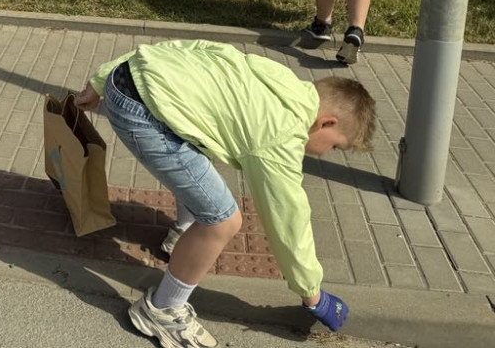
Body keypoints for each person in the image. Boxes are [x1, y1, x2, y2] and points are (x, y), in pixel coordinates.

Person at [75, 39, 375, 348]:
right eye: (335, 146)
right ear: (326, 122)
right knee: (223, 221)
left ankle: (184, 234)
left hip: (127, 76)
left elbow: (196, 47)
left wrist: (102, 77)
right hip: (142, 112)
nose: (325, 153)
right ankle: (162, 310)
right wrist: (313, 294)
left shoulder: (279, 78)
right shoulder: (282, 135)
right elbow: (288, 219)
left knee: (201, 151)